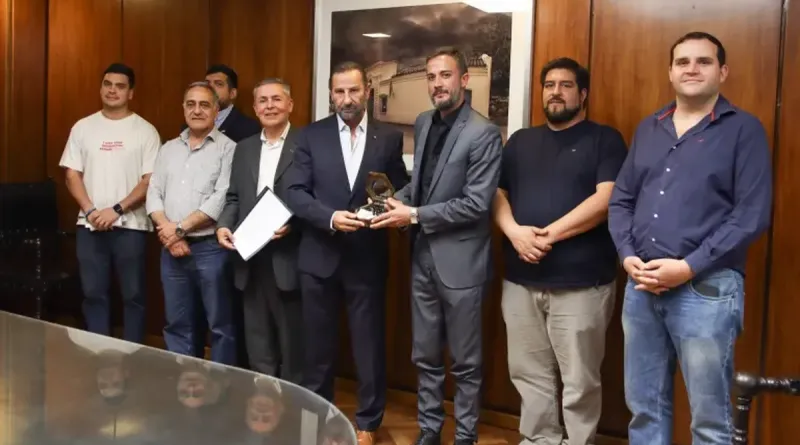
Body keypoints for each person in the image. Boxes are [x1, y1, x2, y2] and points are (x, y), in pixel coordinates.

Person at [607, 32, 773, 445]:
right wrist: (627, 255)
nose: (692, 69)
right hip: (641, 287)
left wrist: (687, 266)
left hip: (706, 289)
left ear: (723, 71)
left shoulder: (744, 130)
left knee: (710, 421)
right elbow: (621, 200)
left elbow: (751, 215)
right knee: (644, 410)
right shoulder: (650, 128)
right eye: (683, 62)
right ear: (670, 72)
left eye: (704, 61)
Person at [369, 47, 502, 445]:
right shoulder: (425, 122)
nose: (437, 84)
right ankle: (429, 430)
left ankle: (465, 435)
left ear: (464, 79)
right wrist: (389, 204)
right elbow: (421, 186)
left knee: (465, 362)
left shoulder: (483, 133)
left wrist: (412, 215)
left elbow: (476, 204)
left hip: (462, 263)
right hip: (422, 257)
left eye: (445, 75)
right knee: (424, 355)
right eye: (431, 77)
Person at [492, 57, 627, 445]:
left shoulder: (604, 139)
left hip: (582, 283)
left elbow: (606, 200)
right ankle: (540, 440)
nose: (555, 92)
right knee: (527, 373)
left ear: (582, 95)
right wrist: (514, 232)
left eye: (566, 85)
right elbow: (497, 193)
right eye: (549, 85)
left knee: (580, 379)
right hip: (521, 281)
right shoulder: (520, 141)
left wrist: (545, 236)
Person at [284, 61, 409, 445]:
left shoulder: (388, 138)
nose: (347, 99)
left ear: (367, 91)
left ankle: (368, 423)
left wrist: (394, 211)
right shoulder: (310, 135)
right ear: (330, 94)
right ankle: (319, 418)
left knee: (369, 347)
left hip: (366, 257)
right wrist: (330, 218)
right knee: (317, 349)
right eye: (339, 92)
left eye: (353, 90)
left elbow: (398, 188)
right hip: (319, 255)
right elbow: (294, 192)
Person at [59, 63, 160, 344]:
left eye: (120, 86)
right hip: (89, 225)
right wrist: (91, 211)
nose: (112, 90)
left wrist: (116, 210)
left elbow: (149, 180)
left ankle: (134, 353)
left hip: (132, 226)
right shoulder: (83, 127)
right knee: (93, 293)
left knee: (134, 295)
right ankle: (97, 350)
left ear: (131, 93)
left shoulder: (145, 131)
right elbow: (71, 175)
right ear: (101, 87)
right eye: (107, 84)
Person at [216, 78, 303, 384]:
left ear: (290, 105)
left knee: (293, 343)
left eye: (276, 99)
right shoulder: (244, 148)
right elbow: (234, 198)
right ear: (254, 108)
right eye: (263, 101)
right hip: (249, 256)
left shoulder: (306, 145)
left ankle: (292, 404)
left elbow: (314, 199)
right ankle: (263, 399)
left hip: (288, 255)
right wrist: (223, 225)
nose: (269, 106)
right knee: (257, 339)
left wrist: (293, 224)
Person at [146, 81, 237, 365]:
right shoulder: (168, 148)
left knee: (220, 325)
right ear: (183, 108)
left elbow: (221, 197)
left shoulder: (229, 149)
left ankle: (221, 383)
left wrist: (178, 229)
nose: (197, 110)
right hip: (171, 250)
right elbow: (154, 192)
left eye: (204, 105)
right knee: (177, 323)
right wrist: (170, 234)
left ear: (216, 110)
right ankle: (183, 380)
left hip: (211, 249)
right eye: (191, 104)